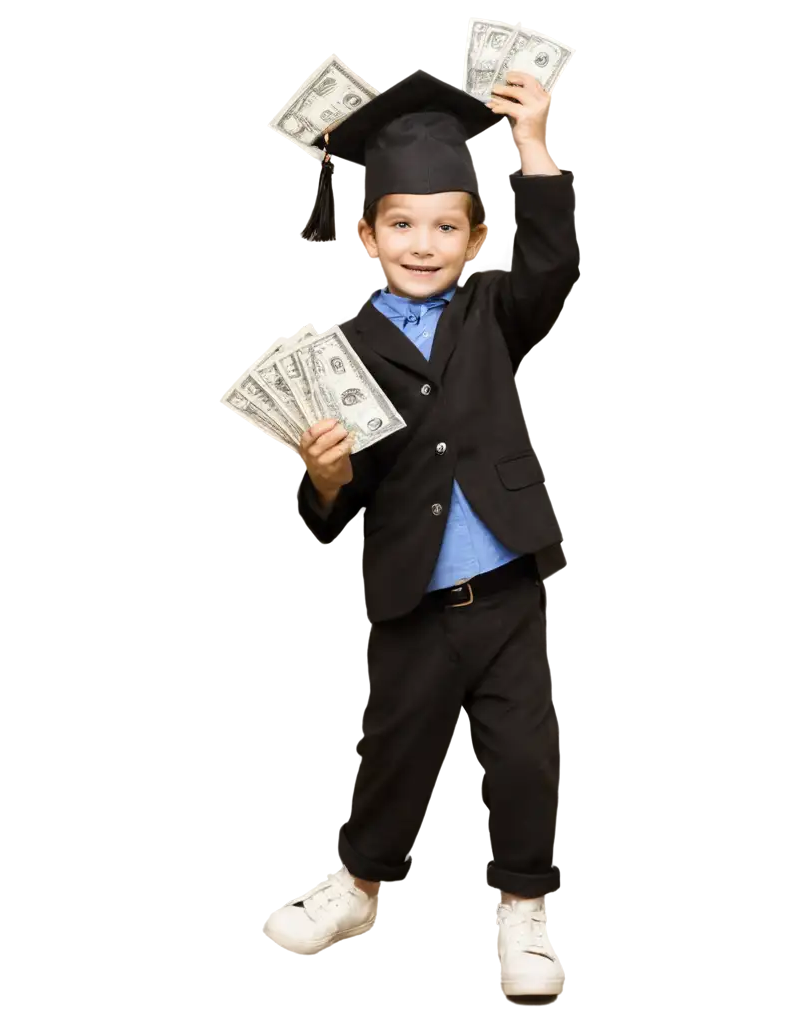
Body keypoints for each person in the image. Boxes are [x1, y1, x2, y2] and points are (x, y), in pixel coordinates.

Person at [259, 67, 576, 1002]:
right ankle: (358, 887)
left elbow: (552, 261)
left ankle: (524, 909)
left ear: (478, 242)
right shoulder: (338, 351)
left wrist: (540, 144)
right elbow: (337, 512)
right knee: (394, 752)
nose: (424, 244)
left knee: (523, 754)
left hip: (507, 588)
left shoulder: (493, 316)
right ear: (365, 236)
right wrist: (324, 478)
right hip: (412, 593)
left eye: (448, 226)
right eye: (402, 223)